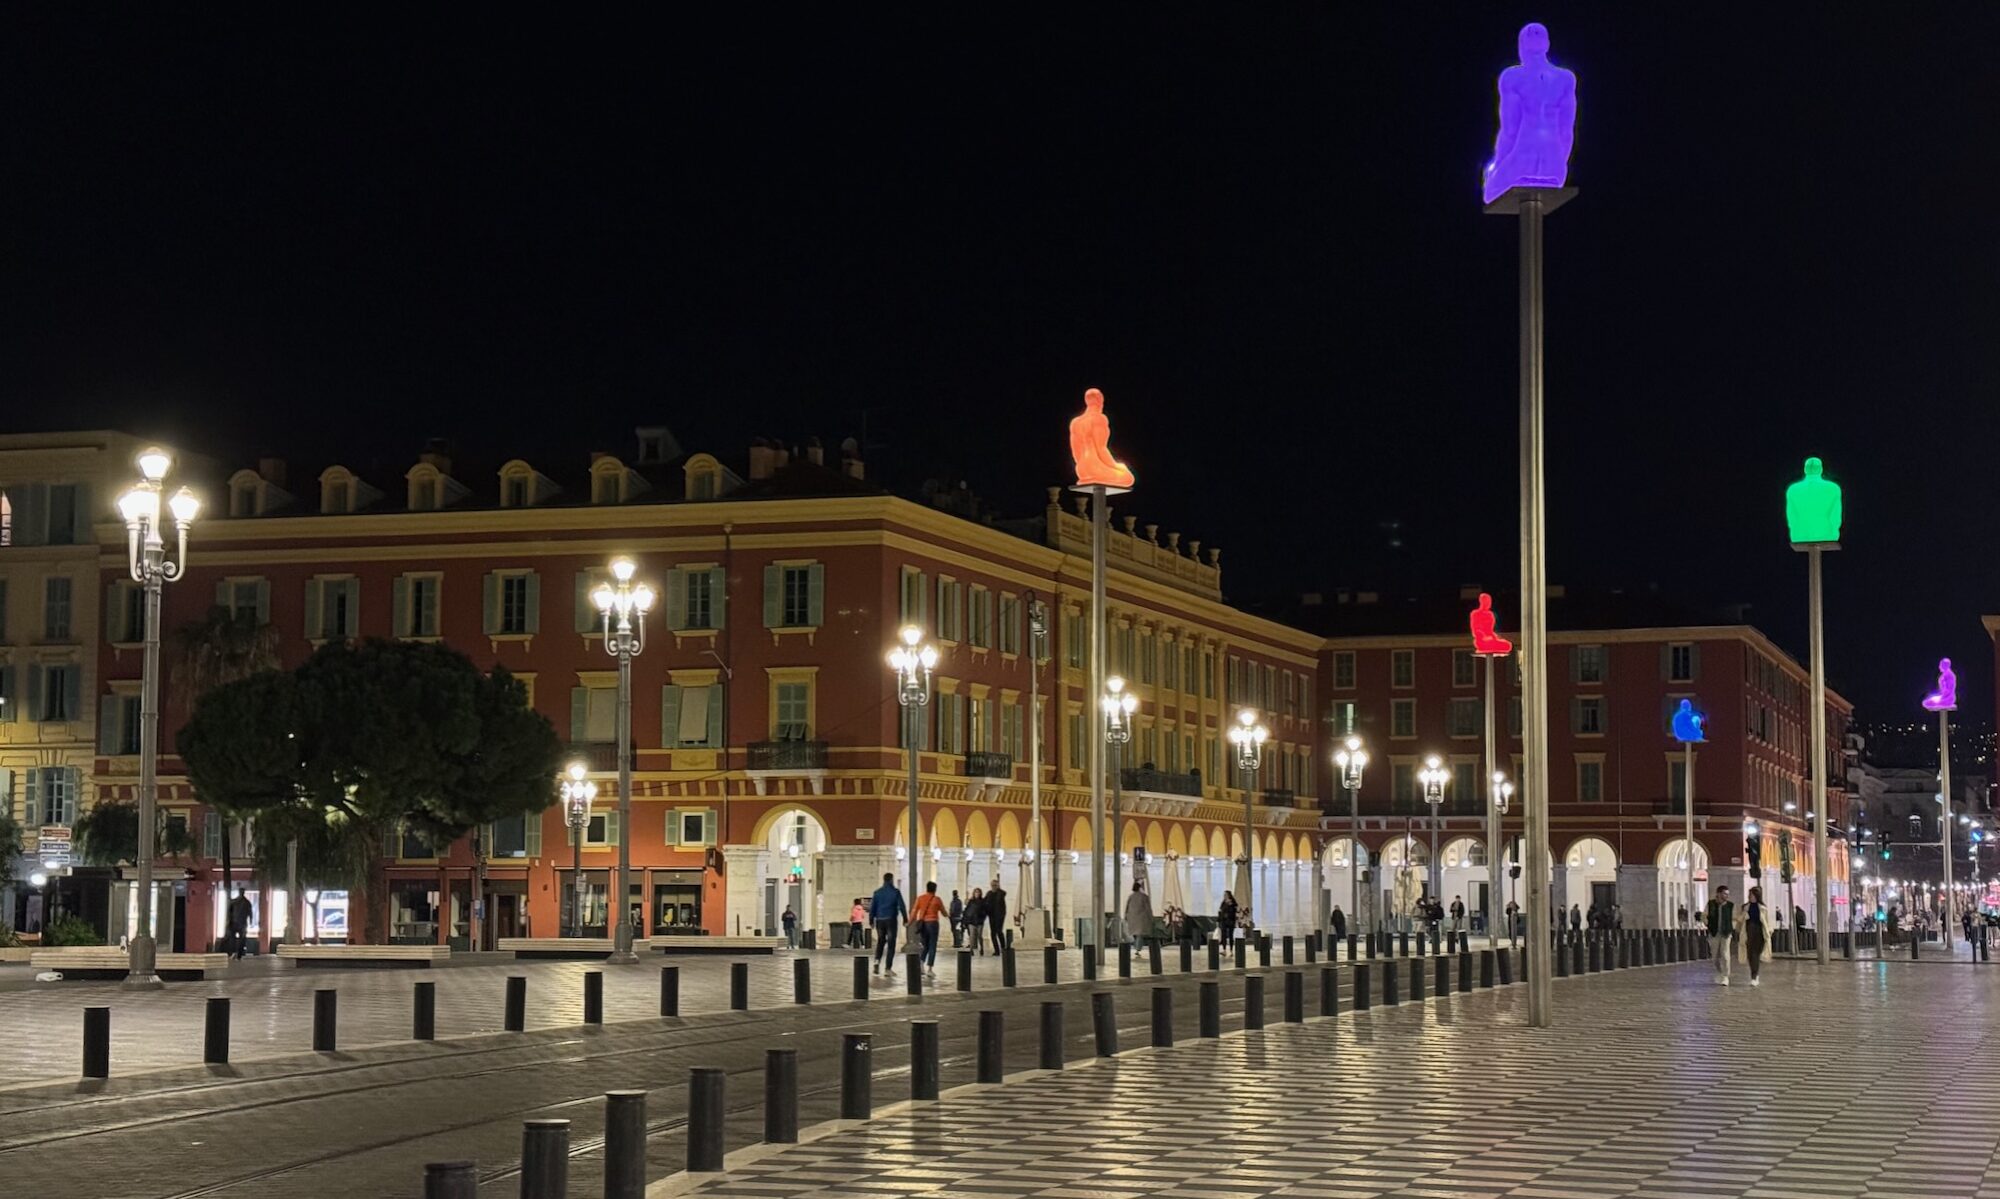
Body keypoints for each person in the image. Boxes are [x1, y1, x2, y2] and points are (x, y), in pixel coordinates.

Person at [869, 874, 906, 976]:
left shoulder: (877, 893)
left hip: (880, 920)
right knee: (891, 943)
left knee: (880, 941)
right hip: (891, 920)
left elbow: (873, 907)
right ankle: (888, 969)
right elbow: (902, 906)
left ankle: (876, 962)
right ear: (891, 880)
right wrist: (905, 919)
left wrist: (871, 920)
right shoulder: (895, 892)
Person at [910, 881, 946, 979]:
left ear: (927, 888)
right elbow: (943, 912)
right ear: (935, 889)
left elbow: (914, 911)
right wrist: (948, 916)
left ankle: (921, 965)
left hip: (923, 925)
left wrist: (909, 922)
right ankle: (930, 969)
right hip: (933, 924)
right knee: (932, 946)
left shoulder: (920, 898)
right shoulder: (937, 899)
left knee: (925, 946)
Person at [1705, 884, 1736, 986]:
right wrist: (1707, 924)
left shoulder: (1730, 905)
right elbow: (1704, 916)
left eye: (1727, 894)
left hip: (1726, 933)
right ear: (1718, 893)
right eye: (1724, 894)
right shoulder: (1711, 904)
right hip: (1714, 933)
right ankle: (1719, 971)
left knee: (1725, 954)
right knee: (1714, 956)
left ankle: (1725, 976)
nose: (1726, 896)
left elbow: (1734, 918)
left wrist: (1732, 928)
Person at [1742, 886, 1767, 987]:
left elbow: (1766, 921)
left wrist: (1768, 933)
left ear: (1756, 896)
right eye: (1749, 895)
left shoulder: (1762, 908)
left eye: (1751, 895)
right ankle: (1753, 974)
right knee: (1749, 955)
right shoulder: (1745, 907)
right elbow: (1741, 919)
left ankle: (1754, 976)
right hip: (1748, 932)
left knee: (1755, 954)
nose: (1749, 896)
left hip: (1759, 932)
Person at [1122, 881, 1154, 946]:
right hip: (1141, 918)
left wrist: (1125, 916)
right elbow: (1148, 908)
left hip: (1131, 918)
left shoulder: (1130, 897)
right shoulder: (1144, 896)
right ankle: (1138, 947)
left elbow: (1127, 907)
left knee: (1135, 933)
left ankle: (1137, 946)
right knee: (1140, 933)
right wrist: (1151, 917)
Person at [226, 887, 253, 959]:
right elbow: (250, 913)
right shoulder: (246, 902)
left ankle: (235, 953)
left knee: (235, 939)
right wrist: (250, 921)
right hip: (240, 923)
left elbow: (229, 912)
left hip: (236, 923)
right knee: (240, 939)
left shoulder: (235, 901)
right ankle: (237, 954)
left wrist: (228, 921)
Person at [985, 879, 1009, 953]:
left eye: (995, 885)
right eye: (992, 885)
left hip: (1000, 915)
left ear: (998, 885)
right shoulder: (989, 893)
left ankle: (1003, 947)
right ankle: (996, 950)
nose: (993, 887)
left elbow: (1004, 893)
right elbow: (984, 901)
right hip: (991, 916)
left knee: (999, 931)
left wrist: (998, 889)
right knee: (993, 933)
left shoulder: (1001, 893)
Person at [964, 888, 987, 954]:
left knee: (979, 935)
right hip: (971, 921)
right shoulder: (971, 901)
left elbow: (985, 911)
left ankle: (982, 948)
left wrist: (983, 917)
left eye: (978, 892)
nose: (977, 893)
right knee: (972, 935)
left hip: (979, 921)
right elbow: (967, 910)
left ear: (980, 893)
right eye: (976, 892)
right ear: (974, 893)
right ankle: (971, 950)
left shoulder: (983, 901)